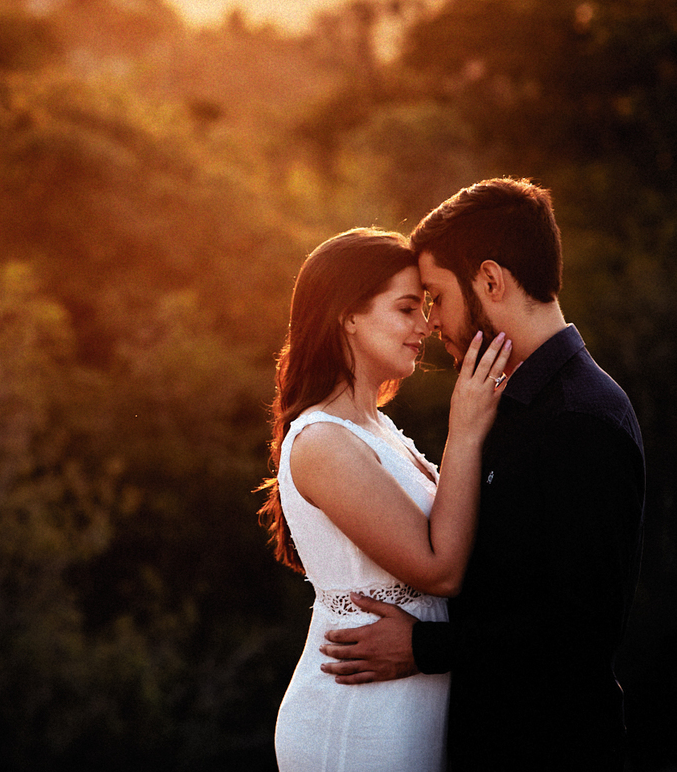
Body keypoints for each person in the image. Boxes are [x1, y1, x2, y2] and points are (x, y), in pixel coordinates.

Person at [319, 179, 647, 771]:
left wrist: (422, 647)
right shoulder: (503, 402)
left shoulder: (581, 417)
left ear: (491, 281)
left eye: (437, 297)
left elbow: (582, 633)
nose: (432, 322)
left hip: (554, 750)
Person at [257, 227, 512, 771]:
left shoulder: (380, 428)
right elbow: (440, 572)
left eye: (423, 307)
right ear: (349, 315)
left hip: (409, 704)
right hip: (358, 715)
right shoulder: (323, 440)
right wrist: (464, 432)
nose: (425, 326)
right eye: (405, 309)